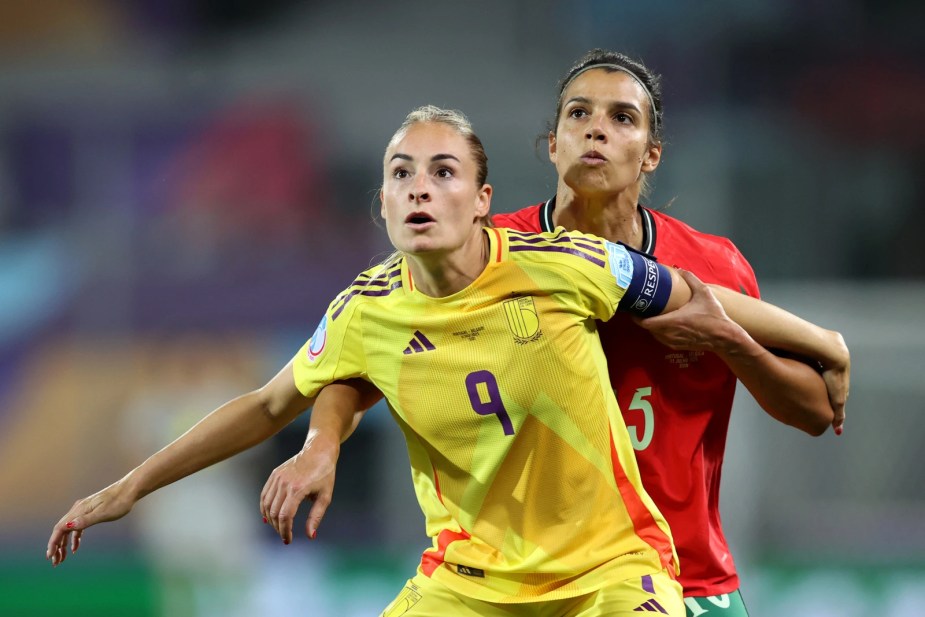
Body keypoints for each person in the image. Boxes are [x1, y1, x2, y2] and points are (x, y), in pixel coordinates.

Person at [48, 106, 848, 617]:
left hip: (606, 574)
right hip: (466, 584)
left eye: (442, 172)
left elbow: (696, 297)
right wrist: (127, 487)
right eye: (401, 174)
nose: (419, 188)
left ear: (479, 196)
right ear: (384, 204)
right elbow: (269, 404)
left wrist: (820, 343)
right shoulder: (367, 307)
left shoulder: (559, 263)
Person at [260, 52, 849, 617]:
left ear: (651, 154)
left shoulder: (712, 269)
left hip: (688, 577)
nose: (597, 130)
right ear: (552, 144)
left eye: (622, 118)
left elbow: (815, 411)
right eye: (578, 113)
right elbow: (360, 360)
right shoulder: (486, 252)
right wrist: (322, 441)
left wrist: (728, 338)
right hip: (530, 584)